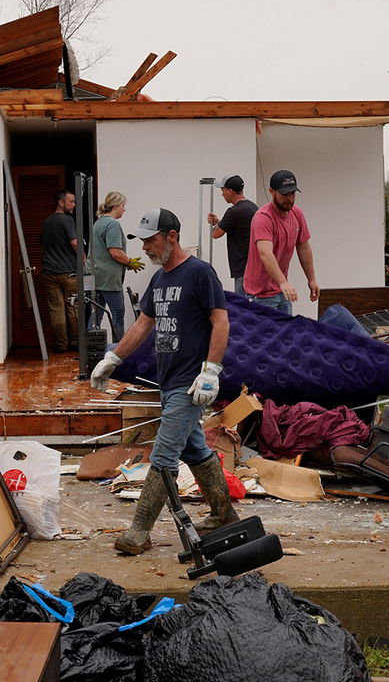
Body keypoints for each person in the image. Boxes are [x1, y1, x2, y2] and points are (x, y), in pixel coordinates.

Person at [89, 208, 236, 555]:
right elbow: (143, 324)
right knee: (195, 449)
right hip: (168, 381)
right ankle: (223, 512)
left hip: (190, 383)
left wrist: (211, 371)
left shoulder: (200, 273)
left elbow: (221, 321)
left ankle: (139, 530)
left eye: (151, 240)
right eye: (142, 242)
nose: (146, 248)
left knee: (165, 454)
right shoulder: (159, 280)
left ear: (172, 236)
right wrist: (113, 358)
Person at [243, 169, 320, 314]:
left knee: (286, 334)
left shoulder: (297, 214)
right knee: (265, 336)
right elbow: (265, 253)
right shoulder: (263, 218)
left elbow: (303, 247)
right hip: (261, 294)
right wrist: (283, 282)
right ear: (271, 192)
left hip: (281, 290)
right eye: (285, 194)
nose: (289, 198)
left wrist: (311, 279)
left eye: (292, 194)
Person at [87, 191, 144, 341]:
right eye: (123, 206)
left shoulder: (98, 222)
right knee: (118, 314)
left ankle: (91, 349)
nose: (124, 209)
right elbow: (115, 252)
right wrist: (129, 261)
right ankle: (119, 350)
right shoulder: (112, 224)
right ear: (116, 206)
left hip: (96, 276)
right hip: (109, 279)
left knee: (96, 316)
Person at [40, 189, 80, 352]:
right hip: (68, 273)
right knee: (73, 306)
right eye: (71, 202)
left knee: (56, 308)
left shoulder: (47, 222)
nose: (74, 205)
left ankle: (60, 344)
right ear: (61, 202)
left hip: (49, 272)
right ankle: (75, 342)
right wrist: (83, 257)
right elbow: (75, 243)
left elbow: (43, 242)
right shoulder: (67, 220)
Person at [207, 174, 257, 294]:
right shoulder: (252, 207)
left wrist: (215, 225)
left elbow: (216, 234)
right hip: (255, 267)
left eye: (222, 190)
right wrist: (220, 222)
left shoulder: (233, 212)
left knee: (243, 308)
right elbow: (237, 227)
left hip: (242, 270)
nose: (222, 194)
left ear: (230, 191)